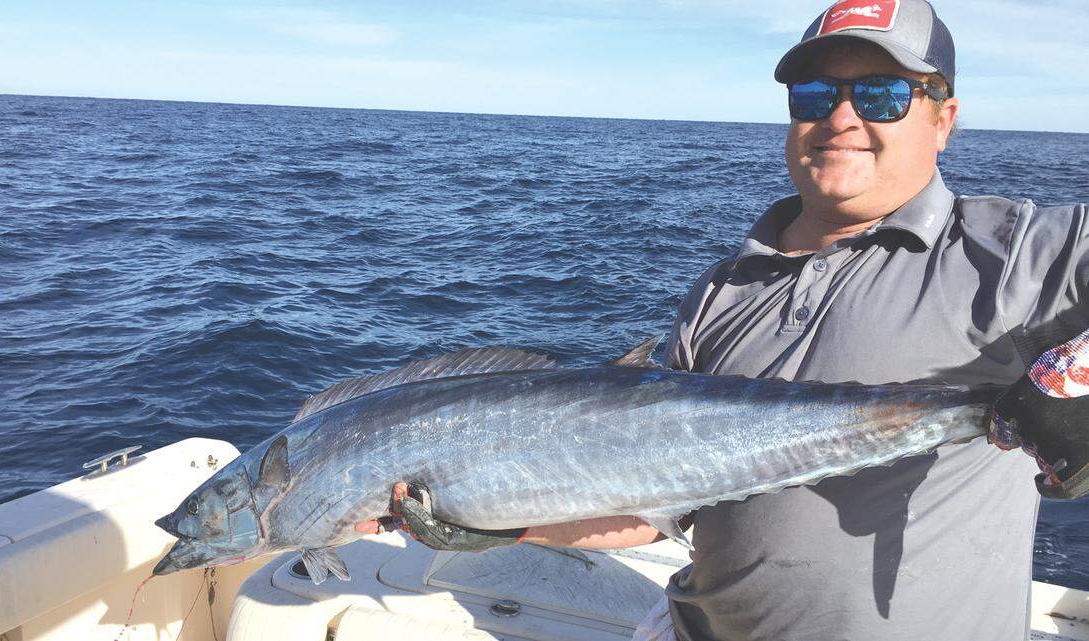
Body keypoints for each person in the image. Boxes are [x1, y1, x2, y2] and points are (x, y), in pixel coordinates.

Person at [356, 1, 1089, 638]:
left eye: (882, 93)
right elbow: (655, 501)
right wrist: (498, 522)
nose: (840, 117)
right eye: (813, 94)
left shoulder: (1015, 253)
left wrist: (1077, 377)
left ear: (943, 118)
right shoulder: (723, 291)